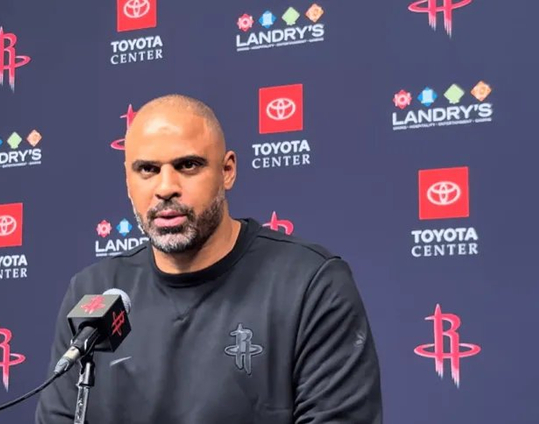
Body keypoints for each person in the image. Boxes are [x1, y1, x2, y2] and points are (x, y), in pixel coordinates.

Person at [35, 94, 383, 423]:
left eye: (187, 165)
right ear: (128, 181)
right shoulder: (94, 291)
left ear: (227, 170)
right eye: (147, 169)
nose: (165, 187)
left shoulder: (310, 284)